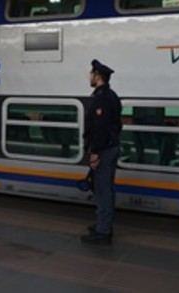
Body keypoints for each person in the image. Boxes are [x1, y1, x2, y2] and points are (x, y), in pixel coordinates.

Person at [81, 59, 122, 245]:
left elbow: (100, 128)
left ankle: (103, 231)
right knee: (106, 188)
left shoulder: (101, 98)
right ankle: (103, 223)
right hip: (111, 146)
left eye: (91, 74)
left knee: (102, 190)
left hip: (104, 149)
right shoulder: (111, 95)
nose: (90, 77)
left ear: (98, 76)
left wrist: (95, 153)